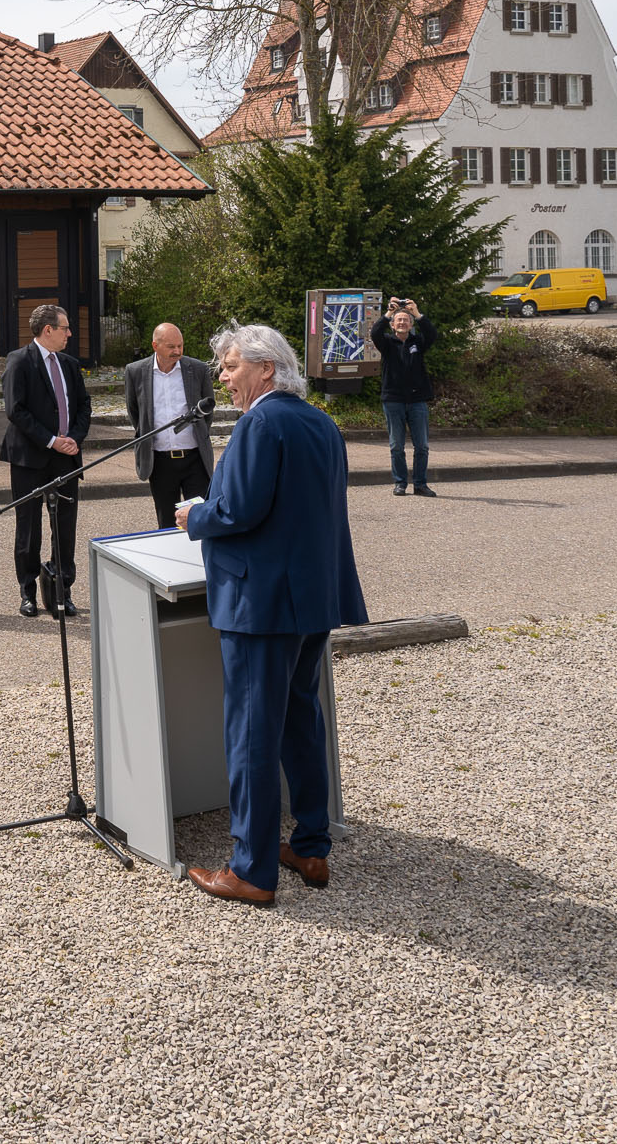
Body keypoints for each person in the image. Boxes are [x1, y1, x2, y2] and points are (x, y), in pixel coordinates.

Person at [178, 324, 368, 906]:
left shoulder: (260, 422)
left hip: (261, 603)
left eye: (232, 367)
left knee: (254, 733)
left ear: (266, 369)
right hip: (313, 598)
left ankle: (252, 870)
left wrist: (196, 516)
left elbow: (239, 509)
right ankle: (310, 846)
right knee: (300, 722)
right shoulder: (319, 421)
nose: (224, 378)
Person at [1, 304, 92, 620]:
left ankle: (62, 591)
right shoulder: (19, 362)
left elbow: (83, 405)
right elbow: (16, 410)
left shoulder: (69, 364)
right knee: (29, 528)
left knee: (64, 527)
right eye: (65, 327)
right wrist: (52, 440)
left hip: (66, 458)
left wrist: (73, 440)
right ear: (48, 330)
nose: (70, 333)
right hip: (30, 458)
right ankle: (28, 592)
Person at [125, 322, 216, 529]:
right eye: (171, 347)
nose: (177, 351)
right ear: (155, 346)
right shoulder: (136, 371)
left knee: (200, 519)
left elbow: (207, 410)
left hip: (195, 459)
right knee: (167, 522)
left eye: (180, 346)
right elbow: (135, 413)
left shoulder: (198, 369)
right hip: (160, 461)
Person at [373, 297, 437, 497]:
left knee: (422, 446)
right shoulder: (387, 343)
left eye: (406, 320)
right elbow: (375, 332)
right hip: (393, 400)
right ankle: (400, 483)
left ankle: (420, 484)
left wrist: (417, 313)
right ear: (393, 325)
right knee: (396, 446)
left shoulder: (417, 342)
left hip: (417, 401)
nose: (402, 323)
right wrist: (389, 312)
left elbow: (432, 334)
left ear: (410, 325)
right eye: (398, 320)